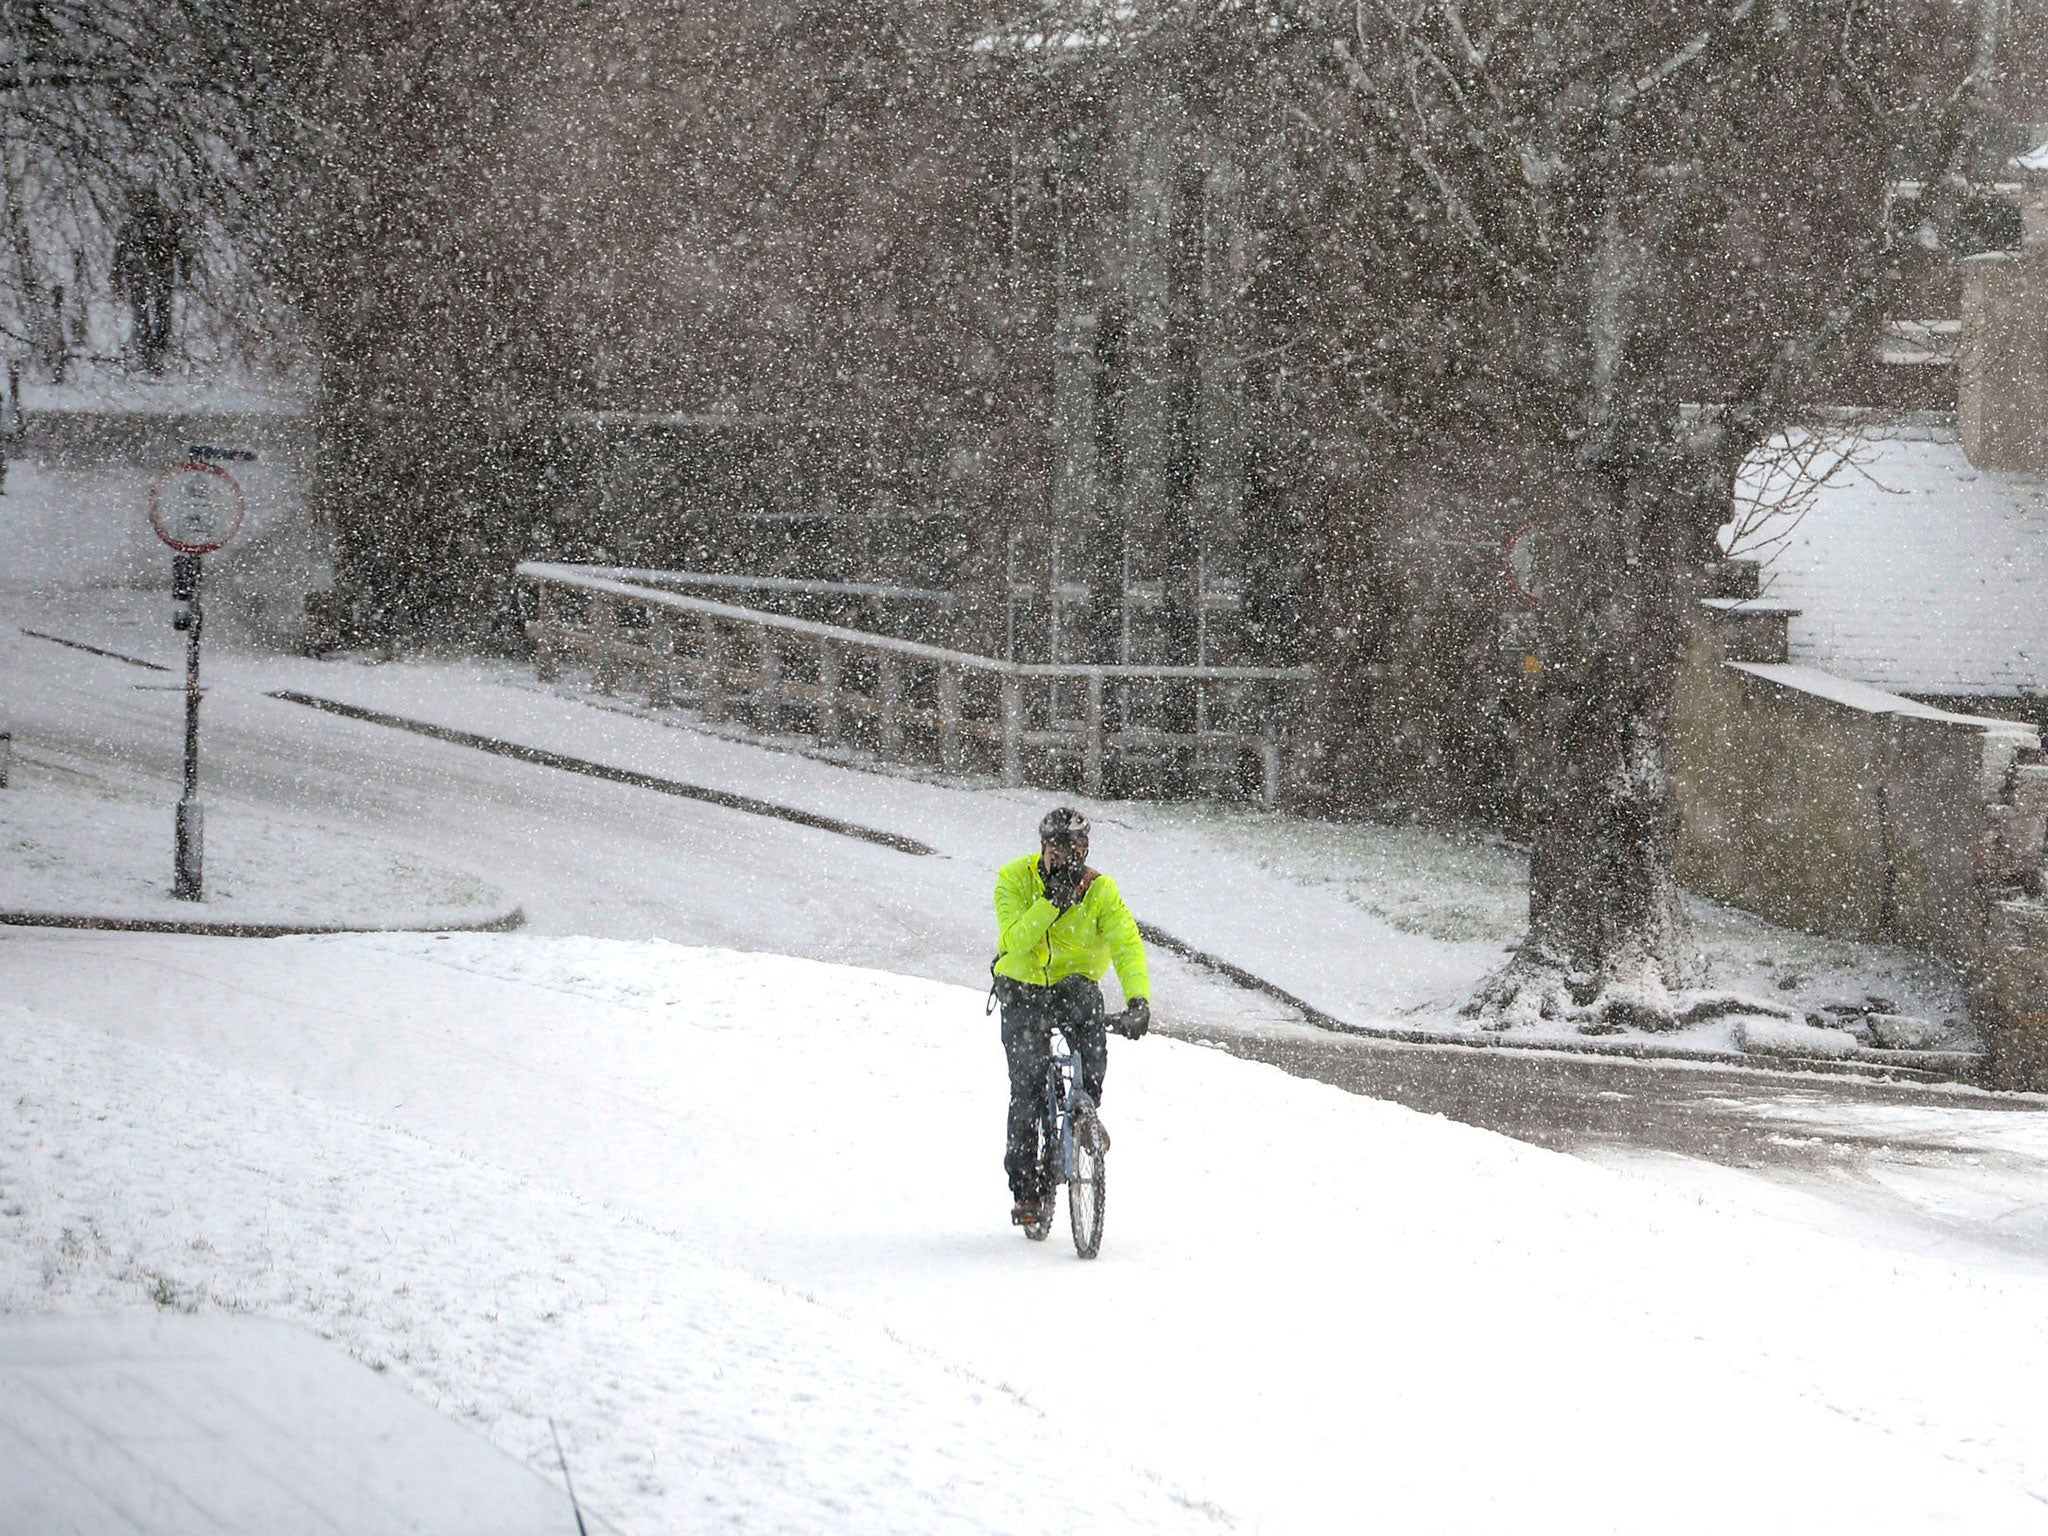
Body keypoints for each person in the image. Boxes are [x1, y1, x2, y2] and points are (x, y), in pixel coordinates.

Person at [991, 806, 1150, 1229]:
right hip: (1023, 988)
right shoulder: (1014, 878)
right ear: (1042, 849)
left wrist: (1138, 1000)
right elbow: (1013, 941)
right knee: (1026, 1090)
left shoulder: (1099, 890)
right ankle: (1026, 1191)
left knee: (1093, 1028)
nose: (1066, 857)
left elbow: (1127, 944)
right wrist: (1049, 903)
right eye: (1057, 849)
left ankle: (1085, 1114)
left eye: (1076, 849)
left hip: (1071, 987)